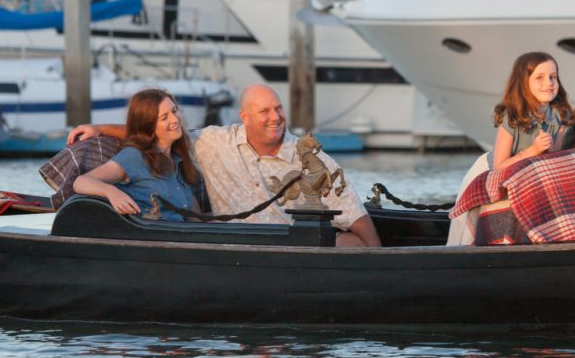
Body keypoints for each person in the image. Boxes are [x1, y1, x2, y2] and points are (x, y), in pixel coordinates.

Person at [67, 84, 383, 248]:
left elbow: (354, 212)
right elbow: (152, 130)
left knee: (353, 243)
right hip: (236, 247)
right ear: (244, 118)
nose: (274, 117)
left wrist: (378, 263)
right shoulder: (215, 142)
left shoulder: (310, 158)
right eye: (264, 112)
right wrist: (99, 129)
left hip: (289, 249)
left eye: (278, 108)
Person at [71, 89, 202, 220]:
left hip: (182, 235)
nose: (175, 119)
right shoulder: (135, 157)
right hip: (152, 236)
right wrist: (111, 192)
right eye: (164, 117)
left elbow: (196, 219)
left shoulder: (177, 158)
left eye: (174, 111)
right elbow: (81, 181)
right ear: (149, 126)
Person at [491, 51, 573, 170]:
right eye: (539, 77)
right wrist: (534, 150)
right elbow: (499, 167)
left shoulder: (561, 114)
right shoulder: (511, 117)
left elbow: (556, 154)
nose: (549, 83)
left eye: (553, 77)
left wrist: (550, 149)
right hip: (511, 171)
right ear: (523, 83)